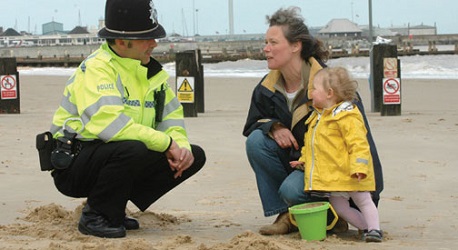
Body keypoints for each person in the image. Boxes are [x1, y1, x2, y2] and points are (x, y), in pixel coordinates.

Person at [47, 0, 206, 238]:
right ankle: (95, 215)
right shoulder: (97, 69)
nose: (154, 43)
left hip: (115, 156)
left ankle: (113, 206)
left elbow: (172, 121)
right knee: (132, 148)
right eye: (147, 38)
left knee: (194, 155)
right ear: (121, 42)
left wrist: (180, 148)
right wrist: (167, 144)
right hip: (73, 163)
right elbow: (111, 126)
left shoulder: (153, 74)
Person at [242, 6, 383, 236]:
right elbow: (252, 124)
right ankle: (286, 215)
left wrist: (366, 199)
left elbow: (363, 144)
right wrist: (273, 127)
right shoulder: (266, 88)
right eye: (265, 42)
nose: (266, 49)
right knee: (256, 141)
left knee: (291, 190)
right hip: (302, 163)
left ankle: (332, 214)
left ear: (296, 45)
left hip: (337, 173)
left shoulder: (332, 88)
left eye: (273, 43)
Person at [290, 67, 383, 242]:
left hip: (351, 173)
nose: (310, 94)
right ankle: (365, 227)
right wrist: (302, 160)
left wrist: (359, 167)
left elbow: (359, 144)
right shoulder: (318, 118)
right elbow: (312, 146)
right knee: (339, 207)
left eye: (315, 89)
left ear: (329, 93)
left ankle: (375, 229)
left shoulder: (347, 116)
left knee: (363, 201)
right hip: (334, 177)